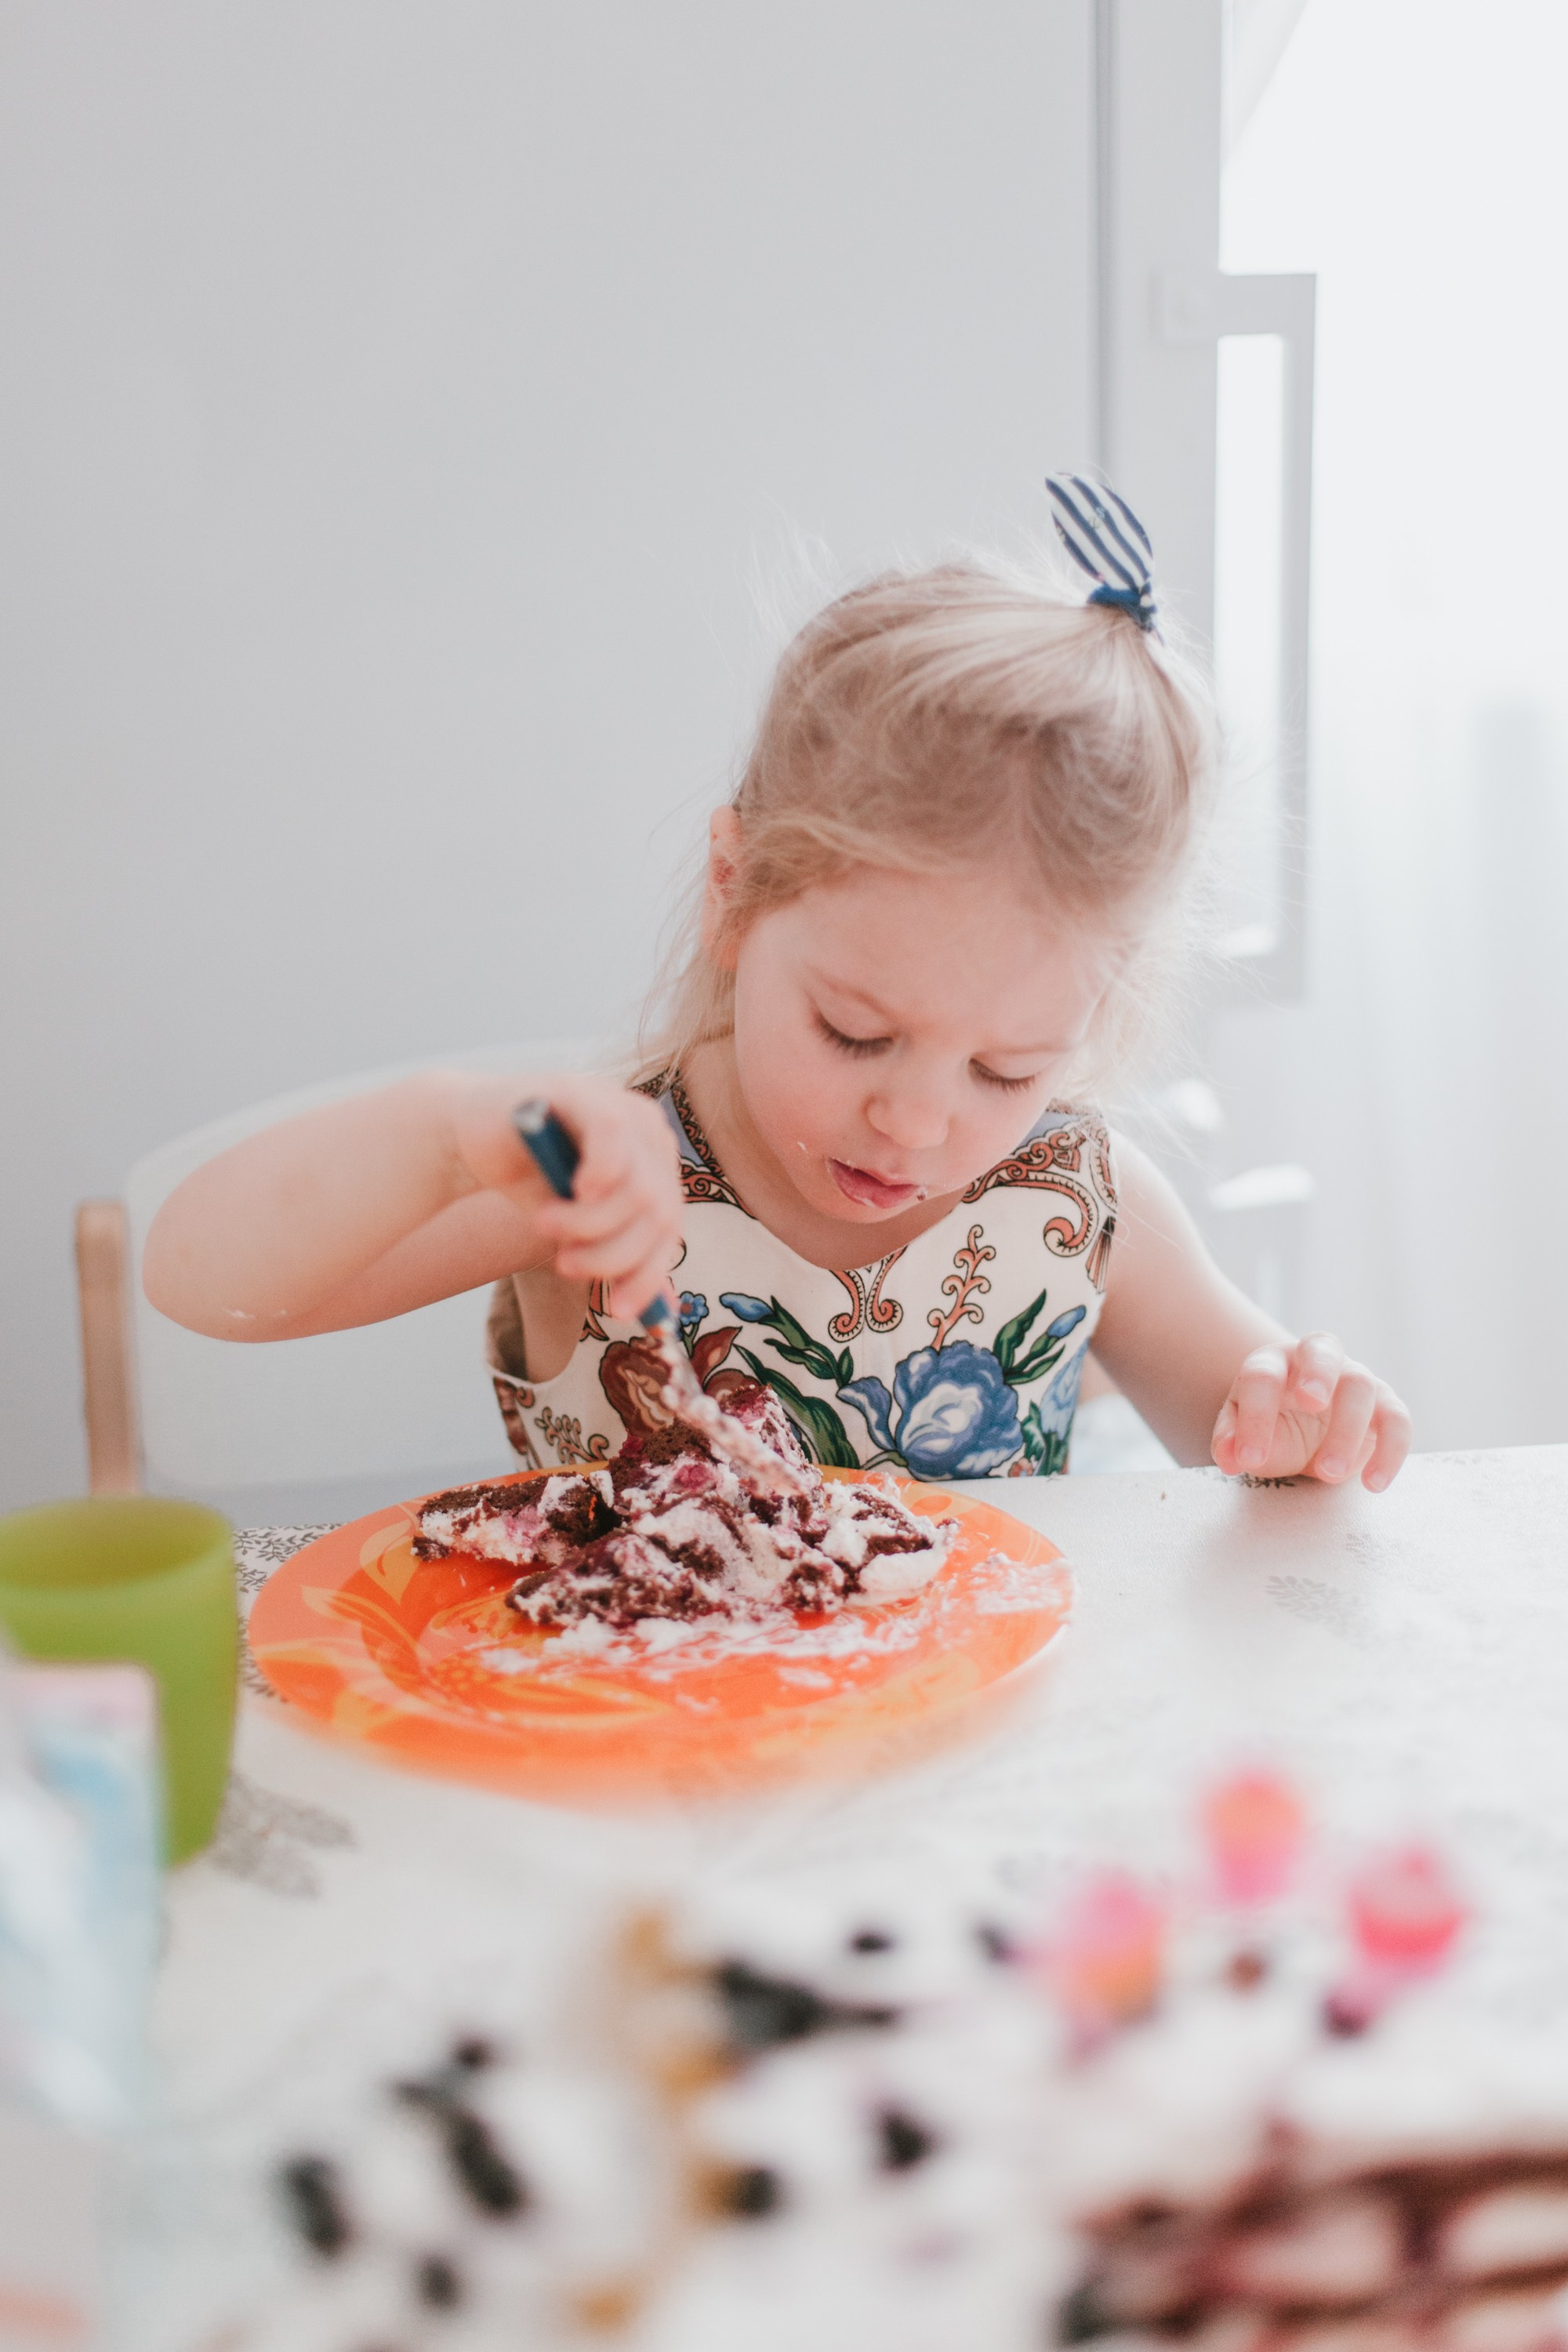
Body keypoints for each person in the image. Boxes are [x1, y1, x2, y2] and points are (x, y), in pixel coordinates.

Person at [143, 480, 1410, 1493]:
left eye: (1004, 1069)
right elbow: (206, 1283)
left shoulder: (1079, 1206)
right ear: (734, 890)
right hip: (645, 1779)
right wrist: (448, 1137)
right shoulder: (597, 1181)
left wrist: (1298, 1422)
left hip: (965, 1792)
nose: (917, 1121)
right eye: (856, 1034)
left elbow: (1242, 1433)